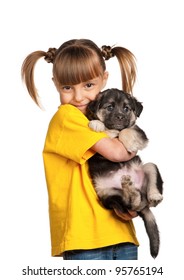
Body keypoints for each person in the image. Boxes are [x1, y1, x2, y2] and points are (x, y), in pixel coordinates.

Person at [21, 39, 139, 260]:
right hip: (85, 239)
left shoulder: (101, 120)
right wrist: (133, 141)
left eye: (88, 85)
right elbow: (118, 153)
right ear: (55, 83)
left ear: (104, 80)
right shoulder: (67, 117)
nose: (77, 97)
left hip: (121, 231)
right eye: (67, 87)